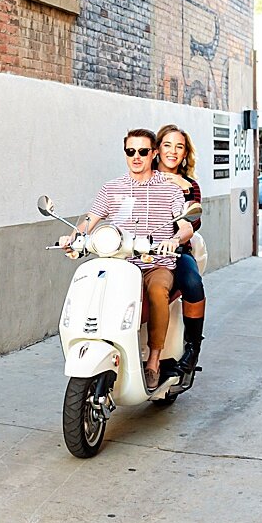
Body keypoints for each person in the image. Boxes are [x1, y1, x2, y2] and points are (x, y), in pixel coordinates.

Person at [63, 128, 193, 391]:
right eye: (130, 151)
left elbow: (186, 225)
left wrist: (175, 239)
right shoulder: (112, 188)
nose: (136, 157)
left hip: (156, 263)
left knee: (157, 291)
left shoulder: (169, 189)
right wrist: (73, 236)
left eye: (143, 151)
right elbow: (91, 219)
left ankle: (154, 360)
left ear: (153, 153)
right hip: (120, 264)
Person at [156, 124, 207, 383]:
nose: (173, 151)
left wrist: (176, 239)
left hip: (176, 251)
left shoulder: (190, 185)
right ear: (157, 149)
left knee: (192, 281)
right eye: (167, 145)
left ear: (185, 153)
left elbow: (193, 222)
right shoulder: (144, 175)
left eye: (179, 146)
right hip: (140, 249)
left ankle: (192, 348)